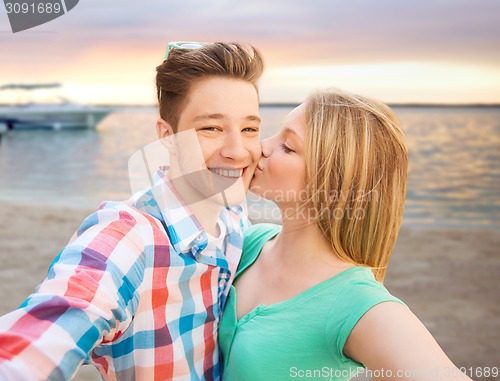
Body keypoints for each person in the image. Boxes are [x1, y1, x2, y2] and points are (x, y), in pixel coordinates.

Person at [0, 41, 263, 380]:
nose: (237, 151)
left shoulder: (234, 219)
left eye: (250, 129)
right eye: (211, 128)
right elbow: (51, 327)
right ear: (167, 138)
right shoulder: (128, 237)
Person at [219, 90, 472, 381]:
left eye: (287, 146)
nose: (260, 147)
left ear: (334, 182)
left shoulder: (357, 304)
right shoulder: (249, 242)